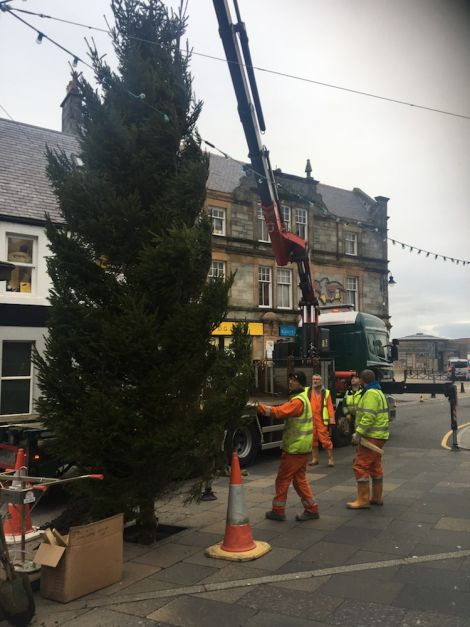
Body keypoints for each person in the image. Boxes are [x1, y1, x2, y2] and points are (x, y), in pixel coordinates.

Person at [256, 371, 320, 522]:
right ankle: (312, 509)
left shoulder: (298, 401)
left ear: (300, 383)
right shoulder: (301, 398)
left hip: (294, 449)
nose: (290, 382)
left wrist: (260, 407)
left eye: (294, 380)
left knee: (283, 479)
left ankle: (278, 511)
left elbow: (280, 412)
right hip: (300, 447)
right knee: (299, 480)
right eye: (290, 379)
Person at [346, 369, 389, 509]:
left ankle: (363, 500)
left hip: (371, 436)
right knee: (375, 466)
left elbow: (368, 417)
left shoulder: (370, 394)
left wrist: (358, 433)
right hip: (379, 436)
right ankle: (376, 497)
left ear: (362, 381)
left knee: (360, 466)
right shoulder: (378, 392)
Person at [308, 374, 335, 467]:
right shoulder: (308, 391)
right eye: (314, 379)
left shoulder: (326, 393)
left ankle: (330, 459)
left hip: (321, 420)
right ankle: (314, 459)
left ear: (321, 381)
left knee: (325, 440)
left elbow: (330, 407)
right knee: (312, 440)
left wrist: (332, 420)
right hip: (311, 420)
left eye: (317, 379)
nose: (315, 381)